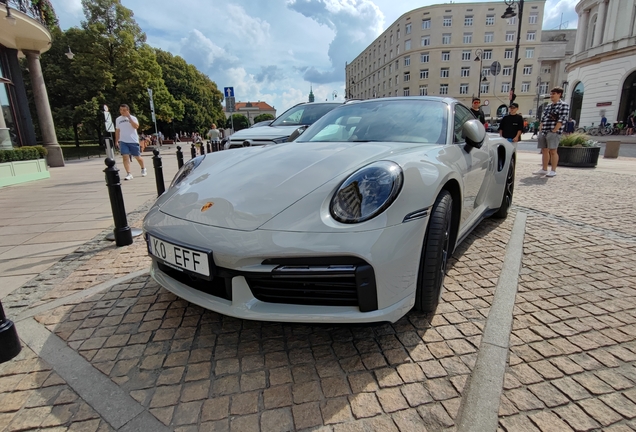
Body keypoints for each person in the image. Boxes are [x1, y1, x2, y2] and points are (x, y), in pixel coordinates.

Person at [535, 87, 569, 178]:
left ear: (559, 94)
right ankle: (544, 169)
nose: (551, 95)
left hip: (553, 131)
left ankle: (553, 170)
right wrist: (541, 130)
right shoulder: (549, 106)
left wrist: (555, 130)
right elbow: (543, 118)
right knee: (544, 150)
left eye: (553, 93)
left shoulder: (563, 105)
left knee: (553, 151)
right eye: (551, 94)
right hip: (545, 130)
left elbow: (562, 119)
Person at [115, 104, 146, 181]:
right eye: (121, 110)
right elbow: (117, 130)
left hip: (133, 140)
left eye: (124, 110)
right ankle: (129, 173)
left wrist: (129, 117)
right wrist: (116, 140)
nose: (122, 112)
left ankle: (143, 168)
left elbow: (136, 126)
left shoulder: (133, 118)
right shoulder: (118, 119)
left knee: (137, 157)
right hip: (123, 141)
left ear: (128, 110)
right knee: (125, 157)